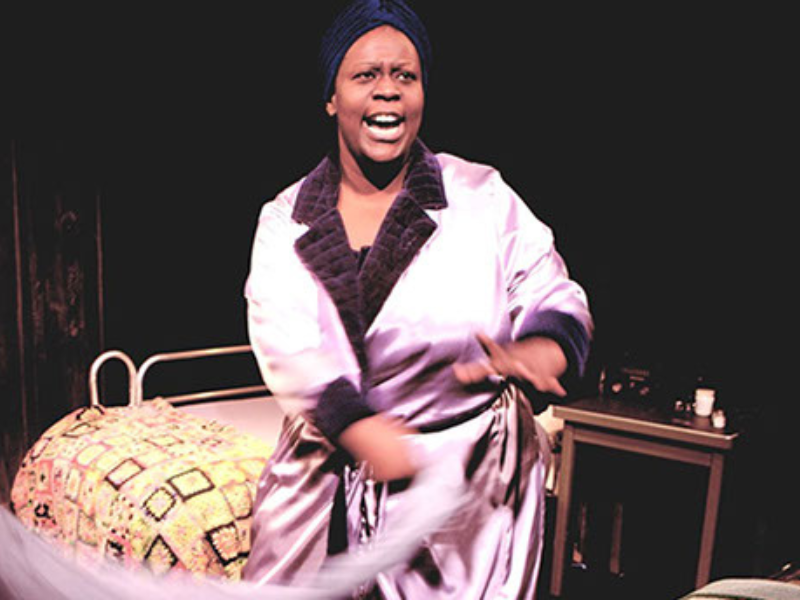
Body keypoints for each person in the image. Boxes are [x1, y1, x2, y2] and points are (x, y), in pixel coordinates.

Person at [241, 0, 593, 597]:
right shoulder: (287, 219)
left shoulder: (481, 197)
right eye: (365, 75)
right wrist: (359, 428)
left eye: (405, 75)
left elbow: (548, 284)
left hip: (470, 492)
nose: (388, 90)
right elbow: (288, 344)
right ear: (331, 97)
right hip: (330, 474)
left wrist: (544, 343)